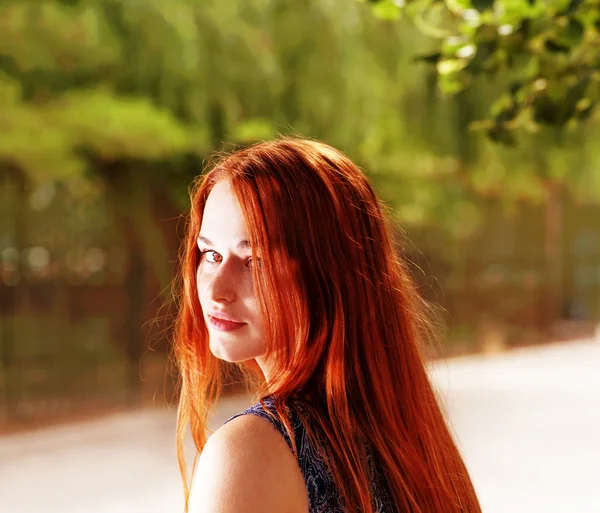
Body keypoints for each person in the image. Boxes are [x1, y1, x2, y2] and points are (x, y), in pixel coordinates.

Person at [172, 137, 482, 513]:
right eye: (211, 254)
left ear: (327, 276)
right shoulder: (410, 443)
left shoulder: (252, 451)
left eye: (254, 261)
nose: (217, 291)